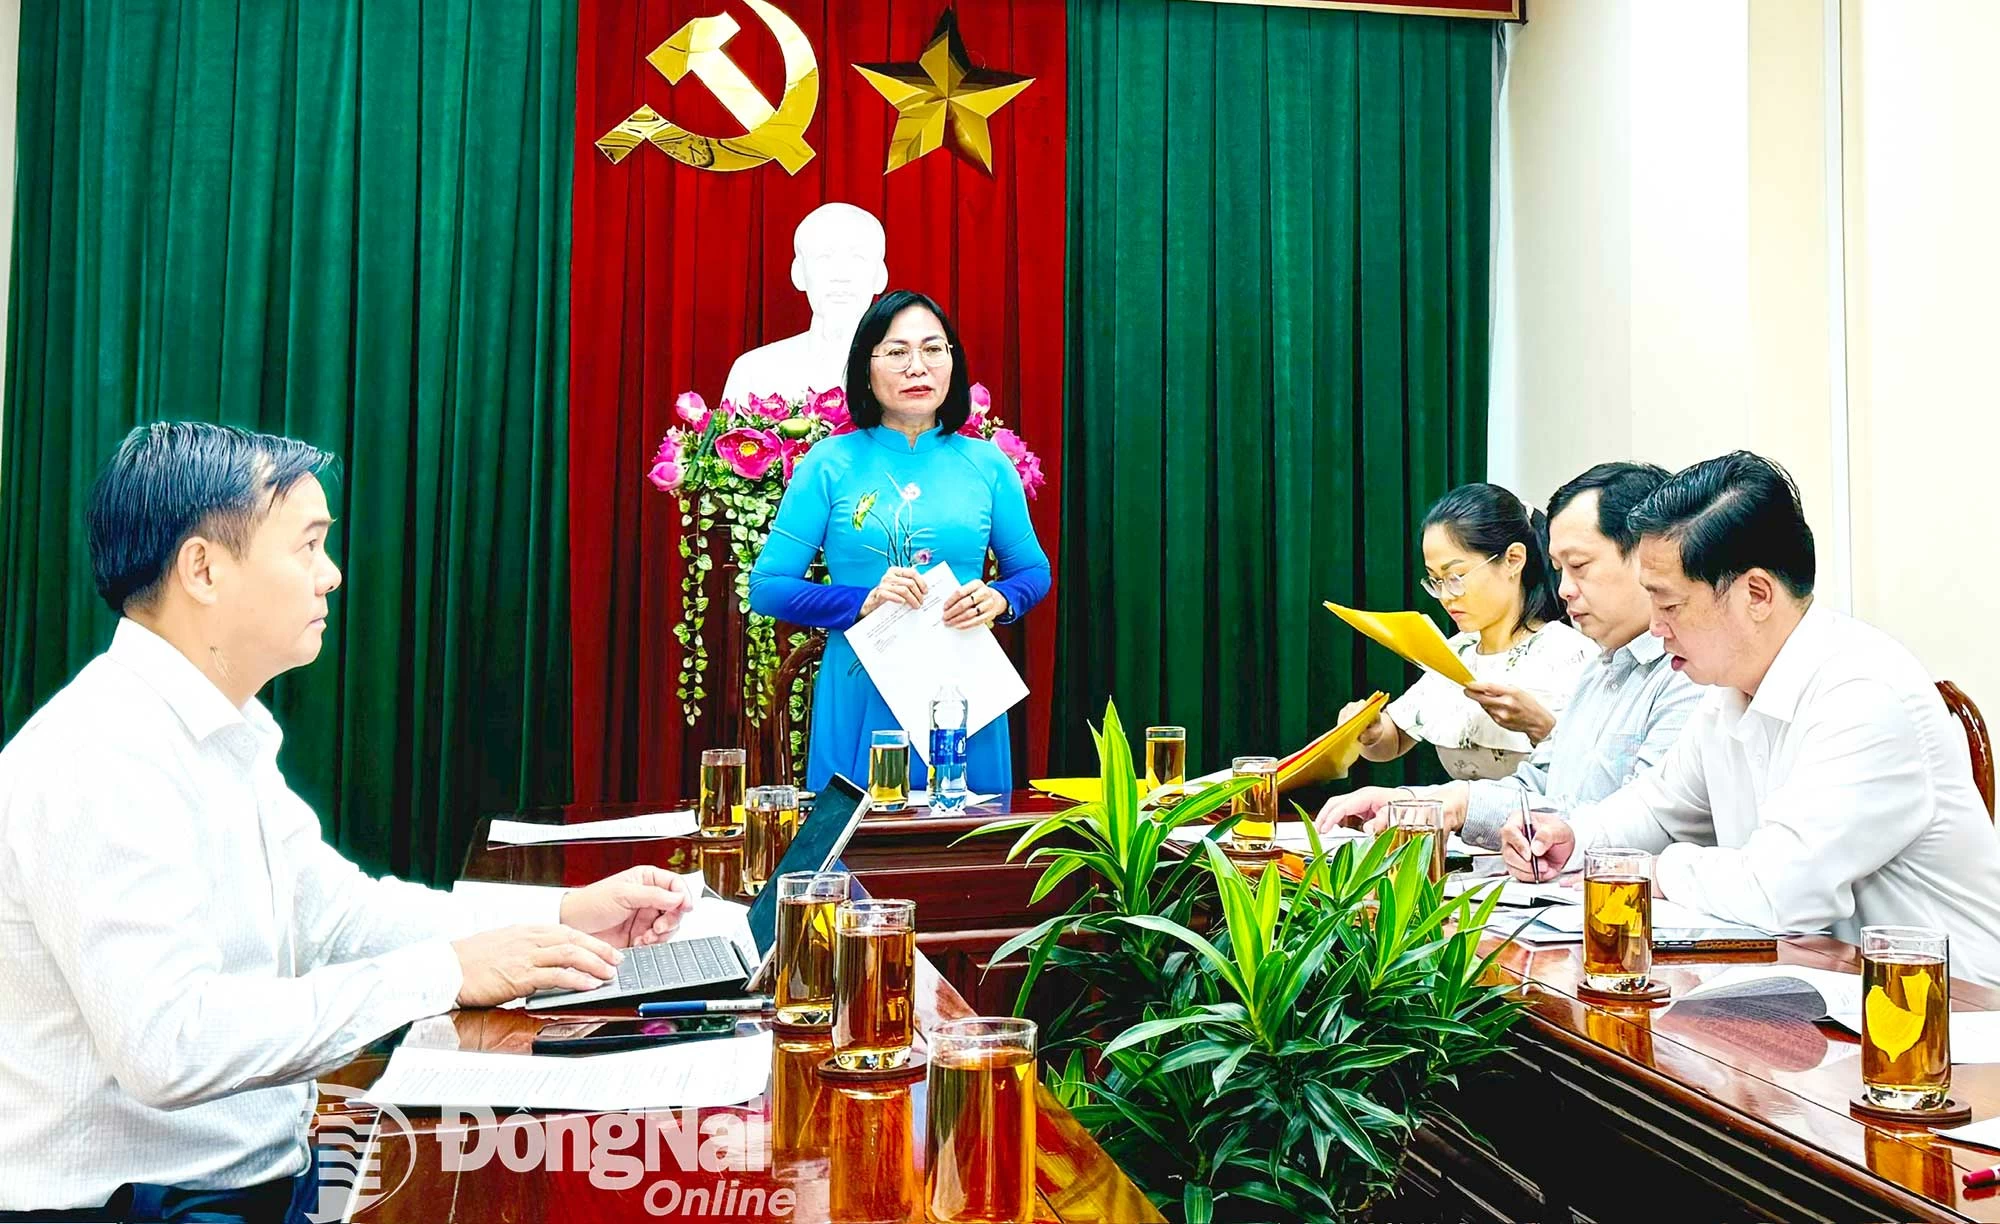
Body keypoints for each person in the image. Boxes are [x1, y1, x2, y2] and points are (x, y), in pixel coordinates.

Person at [0, 423, 694, 1219]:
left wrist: (563, 916)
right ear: (203, 568)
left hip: (256, 1175)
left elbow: (339, 912)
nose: (330, 576)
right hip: (139, 1206)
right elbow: (170, 1044)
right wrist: (443, 972)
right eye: (307, 547)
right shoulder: (104, 757)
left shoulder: (219, 729)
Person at [1499, 452, 2000, 985]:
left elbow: (1780, 892)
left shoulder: (1864, 691)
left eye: (1669, 605)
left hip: (1944, 1020)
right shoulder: (1730, 690)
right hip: (1814, 993)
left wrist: (1651, 871)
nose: (1657, 626)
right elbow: (1661, 808)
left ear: (1756, 594)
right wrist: (1573, 838)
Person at [748, 290, 1051, 794]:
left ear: (953, 363)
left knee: (962, 855)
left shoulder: (988, 464)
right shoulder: (828, 463)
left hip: (962, 694)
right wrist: (862, 600)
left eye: (934, 349)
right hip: (861, 686)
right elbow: (766, 587)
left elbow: (1033, 573)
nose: (917, 367)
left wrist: (1001, 597)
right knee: (855, 859)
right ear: (865, 367)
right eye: (896, 351)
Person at [1319, 463, 1700, 846]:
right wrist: (1418, 801)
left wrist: (1458, 803)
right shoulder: (1602, 667)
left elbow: (1645, 823)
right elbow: (1538, 786)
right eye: (1559, 569)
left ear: (1649, 557)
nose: (1565, 589)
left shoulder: (1685, 674)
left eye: (1579, 566)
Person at [1340, 482, 1595, 782]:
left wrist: (1539, 725)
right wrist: (1370, 731)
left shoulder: (1570, 654)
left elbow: (1595, 777)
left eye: (1456, 576)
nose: (1446, 596)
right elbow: (1394, 739)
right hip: (1463, 824)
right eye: (1435, 580)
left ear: (1513, 559)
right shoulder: (1456, 651)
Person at [721, 202, 888, 404]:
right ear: (798, 273)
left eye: (858, 258)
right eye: (824, 258)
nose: (840, 275)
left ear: (881, 275)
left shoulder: (908, 371)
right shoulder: (755, 371)